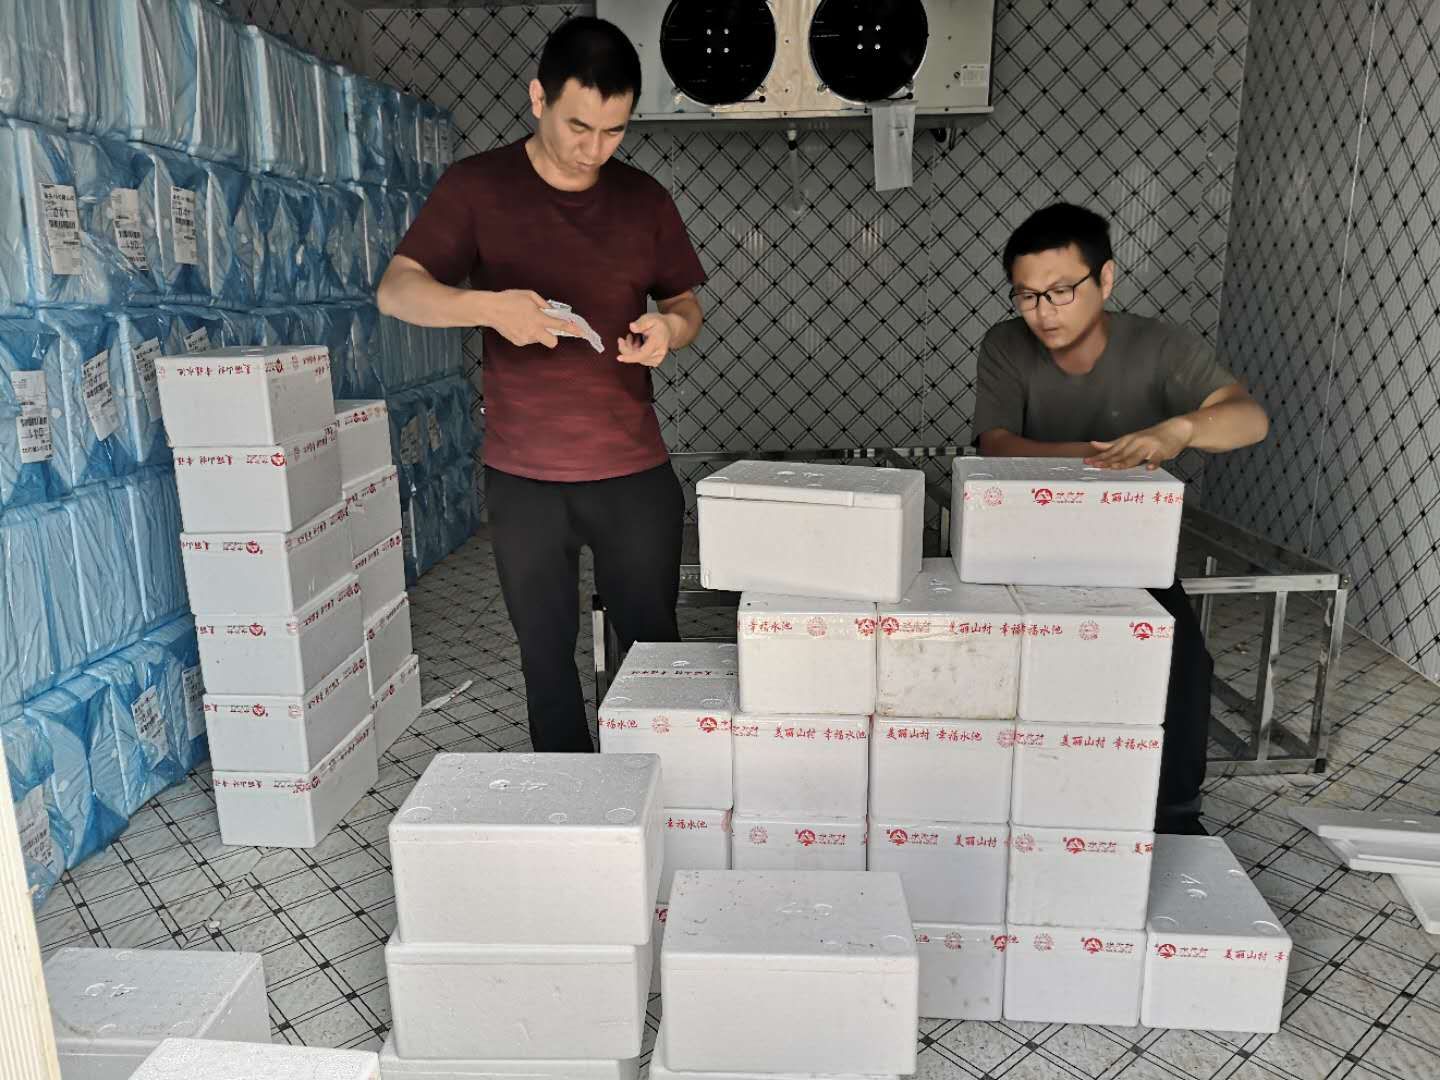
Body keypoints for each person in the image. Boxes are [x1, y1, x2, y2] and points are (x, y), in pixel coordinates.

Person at [376, 16, 706, 753]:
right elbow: (397, 291)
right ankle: (574, 802)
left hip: (632, 471)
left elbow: (686, 303)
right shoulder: (477, 188)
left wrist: (669, 330)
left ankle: (663, 785)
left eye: (614, 131)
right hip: (525, 478)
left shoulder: (643, 199)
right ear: (538, 99)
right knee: (546, 661)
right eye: (578, 126)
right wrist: (490, 308)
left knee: (654, 651)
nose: (595, 150)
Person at [973, 202, 1270, 834]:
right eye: (1026, 296)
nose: (1043, 312)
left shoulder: (1159, 347)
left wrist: (1180, 429)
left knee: (1181, 664)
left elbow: (1249, 418)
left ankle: (1173, 816)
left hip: (1130, 554)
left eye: (1061, 290)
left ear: (1104, 279)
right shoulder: (1005, 344)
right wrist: (1108, 456)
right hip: (1023, 546)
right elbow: (997, 445)